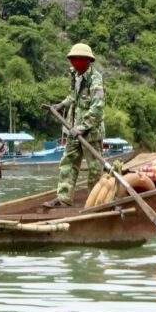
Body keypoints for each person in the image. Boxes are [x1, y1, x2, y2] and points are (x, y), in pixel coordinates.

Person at [44, 43, 105, 208]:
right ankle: (64, 198)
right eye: (73, 59)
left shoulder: (95, 79)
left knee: (94, 169)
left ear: (87, 61)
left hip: (91, 131)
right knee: (68, 162)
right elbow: (73, 96)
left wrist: (83, 127)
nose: (76, 62)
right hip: (73, 128)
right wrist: (61, 105)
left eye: (79, 59)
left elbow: (97, 108)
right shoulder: (74, 75)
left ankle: (95, 202)